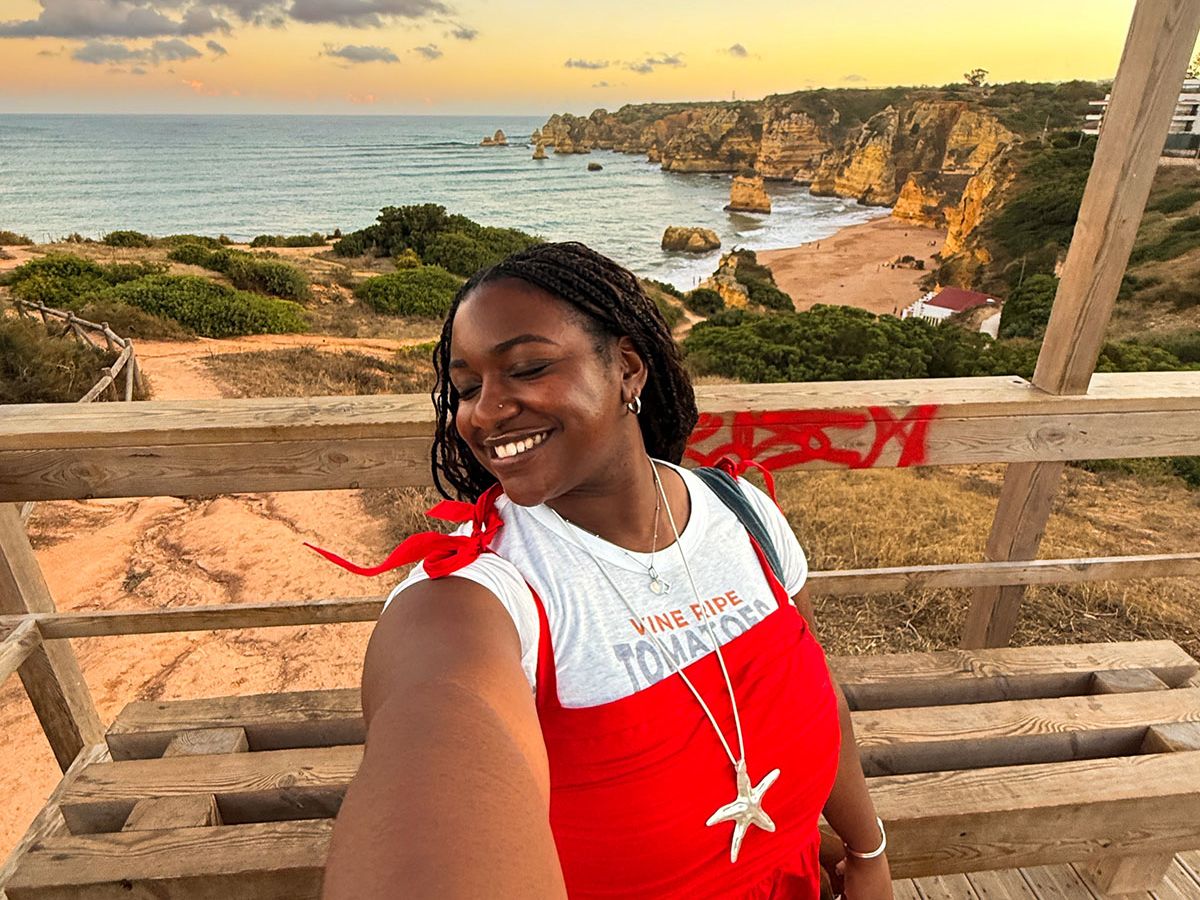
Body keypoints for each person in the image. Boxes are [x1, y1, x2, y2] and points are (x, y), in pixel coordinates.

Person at [317, 242, 892, 899]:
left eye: (527, 368)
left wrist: (867, 850)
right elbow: (439, 726)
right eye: (468, 388)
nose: (483, 410)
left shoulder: (742, 512)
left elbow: (819, 695)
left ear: (627, 369)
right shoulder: (472, 600)